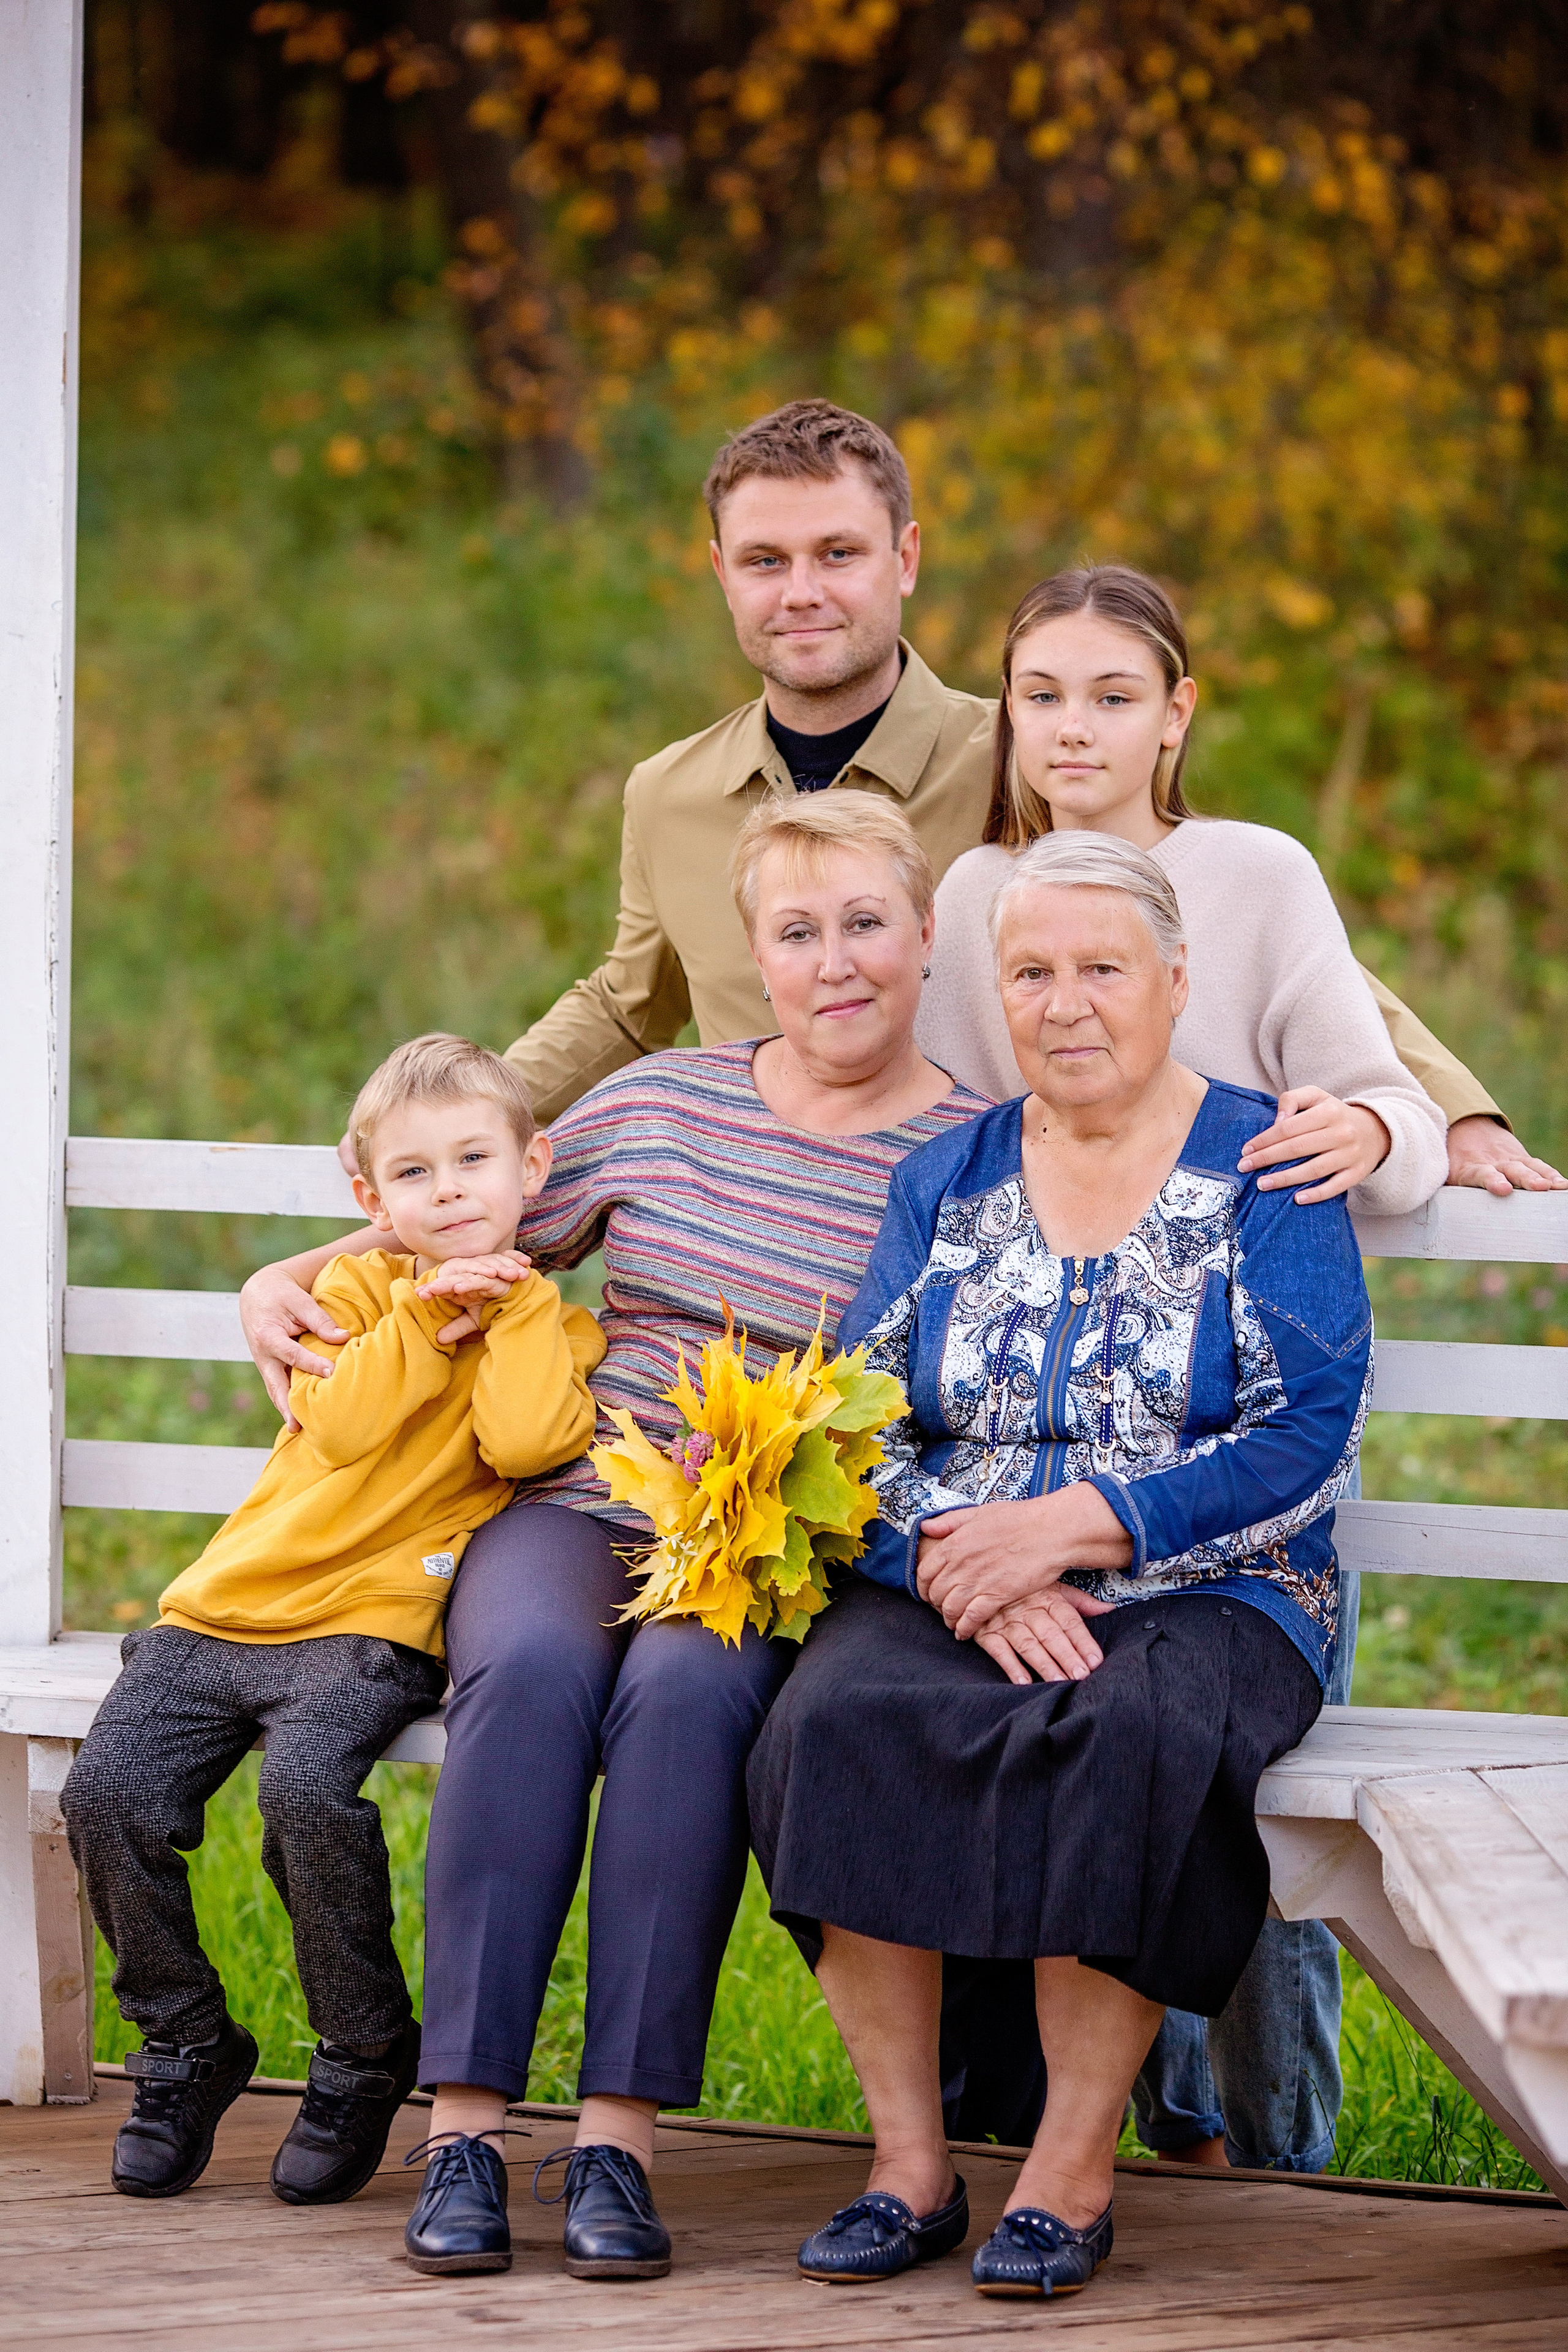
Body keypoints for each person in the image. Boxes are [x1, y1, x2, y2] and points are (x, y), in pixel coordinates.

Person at [249, 401, 1531, 1436]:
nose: (801, 591)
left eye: (837, 554)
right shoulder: (673, 794)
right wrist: (379, 1225)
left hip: (983, 1296)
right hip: (759, 1283)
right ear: (720, 577)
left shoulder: (1024, 749)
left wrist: (1440, 1109)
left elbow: (1211, 914)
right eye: (764, 560)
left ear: (904, 561)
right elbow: (622, 1005)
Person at [228, 794, 989, 2279]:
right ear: (754, 956)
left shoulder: (968, 1154)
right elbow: (458, 1220)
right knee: (520, 1675)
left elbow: (961, 1389)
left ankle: (618, 2139)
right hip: (578, 1494)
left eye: (861, 925)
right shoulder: (660, 1105)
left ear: (922, 934)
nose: (833, 963)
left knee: (684, 1704)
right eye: (795, 933)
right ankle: (461, 2127)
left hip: (771, 1534)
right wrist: (286, 1269)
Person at [913, 564, 1566, 2173]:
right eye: (1043, 694)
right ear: (1006, 710)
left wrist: (1389, 1125)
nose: (1075, 726)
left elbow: (1376, 1098)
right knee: (1064, 1743)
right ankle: (1099, 2134)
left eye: (1114, 695)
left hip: (1238, 1436)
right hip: (1039, 1435)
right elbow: (947, 1146)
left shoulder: (1255, 877)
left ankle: (1282, 2151)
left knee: (1248, 1794)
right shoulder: (972, 899)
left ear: (1177, 713)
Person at [748, 831, 1373, 2299]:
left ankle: (1066, 2173)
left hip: (1213, 1583)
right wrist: (964, 1557)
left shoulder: (1263, 1164)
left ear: (1170, 980)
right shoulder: (947, 1177)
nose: (1065, 1001)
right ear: (997, 993)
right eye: (1030, 972)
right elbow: (853, 1413)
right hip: (962, 1573)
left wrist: (1078, 1528)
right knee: (827, 1721)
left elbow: (1307, 1431)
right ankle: (908, 2167)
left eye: (1101, 968)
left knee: (1130, 1735)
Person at [61, 1036, 603, 2208]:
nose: (449, 1190)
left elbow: (527, 1445)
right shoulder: (354, 1292)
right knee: (105, 1796)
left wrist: (502, 1319)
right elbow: (344, 1421)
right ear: (370, 1200)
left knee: (307, 1794)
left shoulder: (554, 1326)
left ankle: (362, 2053)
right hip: (226, 1608)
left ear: (533, 1166)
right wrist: (422, 1317)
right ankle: (184, 2041)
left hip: (372, 1629)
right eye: (413, 1175)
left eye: (473, 1160)